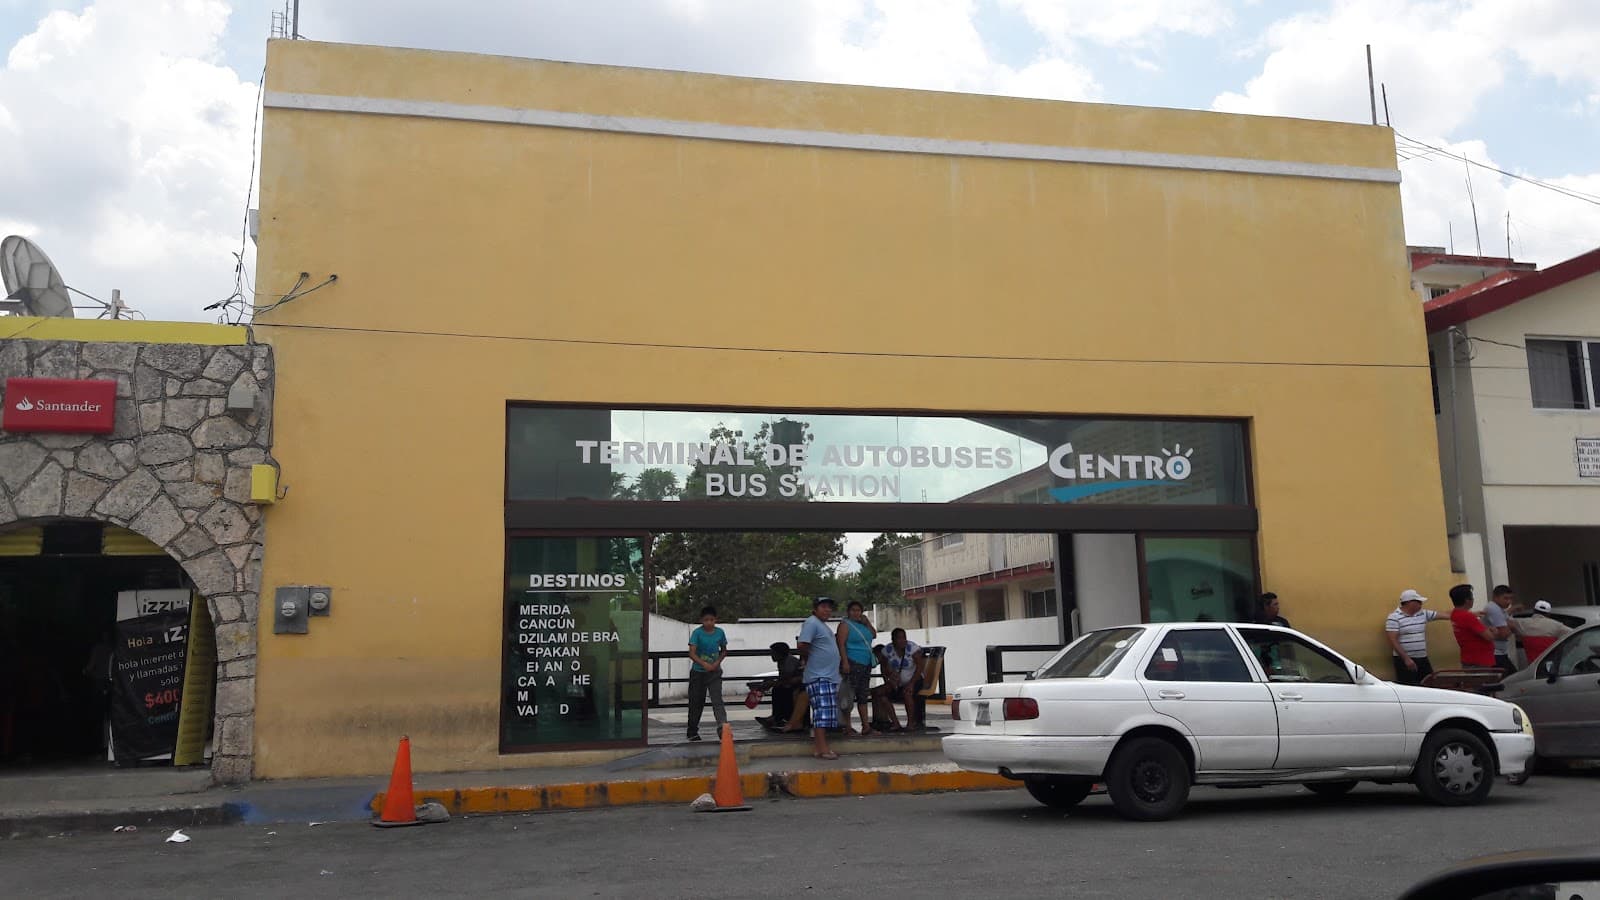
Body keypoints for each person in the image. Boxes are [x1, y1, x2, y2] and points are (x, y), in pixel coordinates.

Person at [797, 597, 842, 760]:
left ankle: (820, 748)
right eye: (823, 607)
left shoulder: (822, 625)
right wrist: (809, 659)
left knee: (824, 713)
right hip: (819, 675)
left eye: (829, 607)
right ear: (815, 609)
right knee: (821, 714)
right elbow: (802, 645)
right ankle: (822, 749)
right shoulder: (812, 623)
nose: (827, 610)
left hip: (827, 676)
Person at [1385, 589, 1447, 685]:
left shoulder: (1423, 613)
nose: (1421, 604)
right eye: (1418, 602)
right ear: (1410, 603)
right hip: (1404, 659)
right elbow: (1393, 640)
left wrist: (1467, 614)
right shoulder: (1394, 617)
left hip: (1422, 657)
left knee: (1429, 683)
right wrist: (1406, 659)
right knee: (1409, 686)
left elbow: (1444, 615)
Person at [685, 605, 728, 742]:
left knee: (717, 700)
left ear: (716, 620)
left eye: (711, 620)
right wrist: (704, 664)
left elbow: (724, 650)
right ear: (701, 620)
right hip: (698, 672)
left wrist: (716, 663)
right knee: (696, 701)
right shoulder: (697, 633)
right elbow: (692, 653)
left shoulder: (720, 633)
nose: (709, 623)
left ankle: (722, 727)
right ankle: (692, 730)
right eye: (706, 620)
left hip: (714, 672)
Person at [837, 601, 878, 737]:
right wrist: (845, 662)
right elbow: (841, 644)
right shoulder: (845, 625)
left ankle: (865, 725)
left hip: (865, 663)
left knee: (863, 695)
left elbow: (873, 634)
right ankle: (847, 726)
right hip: (853, 662)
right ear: (848, 612)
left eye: (858, 610)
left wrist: (867, 622)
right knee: (849, 694)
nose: (856, 613)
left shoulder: (863, 625)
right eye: (853, 610)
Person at [880, 628, 926, 731]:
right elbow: (883, 666)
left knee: (907, 693)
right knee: (882, 696)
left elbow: (920, 668)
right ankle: (895, 723)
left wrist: (911, 683)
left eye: (904, 638)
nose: (902, 641)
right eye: (899, 638)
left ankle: (910, 723)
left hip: (915, 680)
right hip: (897, 682)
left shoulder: (912, 648)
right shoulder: (887, 650)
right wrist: (888, 679)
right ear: (893, 640)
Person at [755, 642, 805, 731]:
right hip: (791, 684)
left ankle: (779, 718)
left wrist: (771, 684)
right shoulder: (781, 662)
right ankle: (776, 716)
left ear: (779, 653)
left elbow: (787, 679)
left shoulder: (789, 662)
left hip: (797, 685)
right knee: (777, 690)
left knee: (780, 691)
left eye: (773, 653)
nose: (771, 655)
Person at [1448, 584, 1495, 669]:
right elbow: (1489, 637)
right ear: (1467, 600)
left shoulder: (1454, 614)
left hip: (1468, 658)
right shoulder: (1468, 617)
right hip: (1480, 661)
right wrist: (1494, 631)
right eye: (1472, 598)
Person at [1512, 600, 1574, 664]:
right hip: (1551, 664)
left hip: (1531, 665)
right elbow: (1574, 634)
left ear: (1534, 611)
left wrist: (1512, 609)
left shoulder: (1521, 623)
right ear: (1548, 614)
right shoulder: (1556, 625)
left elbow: (1505, 621)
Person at [1487, 585, 1517, 674]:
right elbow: (1505, 633)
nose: (1509, 602)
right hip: (1495, 654)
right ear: (1495, 597)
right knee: (1511, 680)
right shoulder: (1494, 609)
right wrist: (1509, 629)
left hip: (1500, 653)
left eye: (1510, 599)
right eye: (1505, 598)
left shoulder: (1500, 609)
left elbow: (1511, 626)